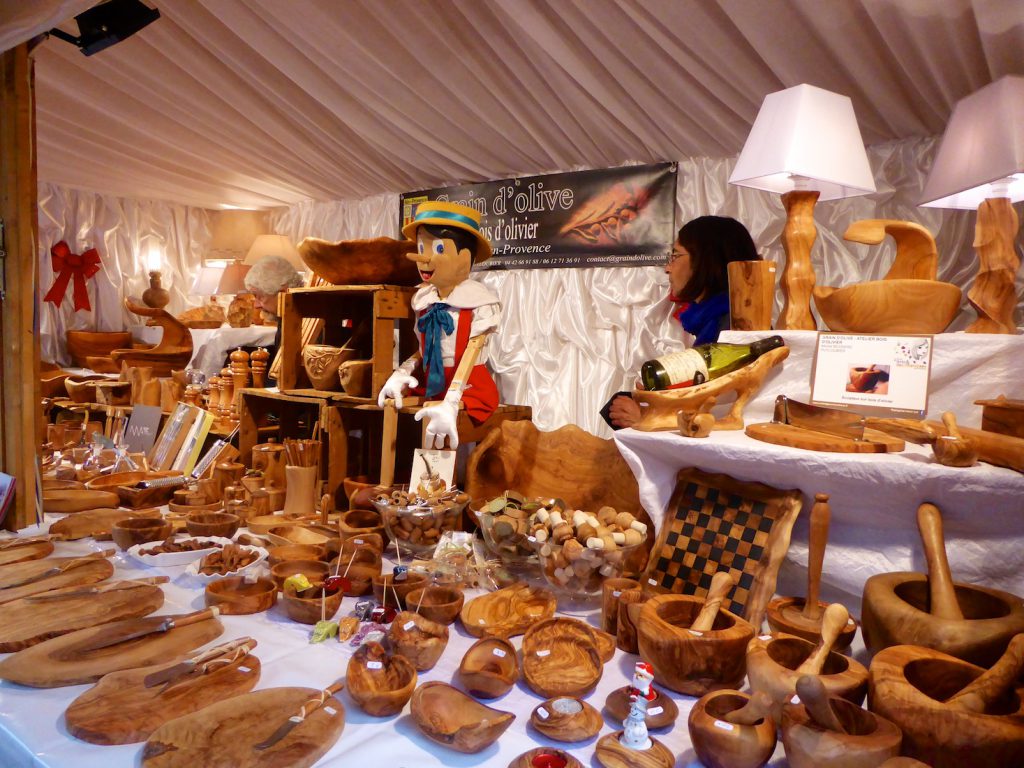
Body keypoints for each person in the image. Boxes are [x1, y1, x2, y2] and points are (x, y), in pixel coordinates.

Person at [604, 215, 761, 429]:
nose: (667, 268)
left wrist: (649, 418)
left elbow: (721, 413)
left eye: (675, 256)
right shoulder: (712, 321)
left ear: (705, 261)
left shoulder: (735, 330)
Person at [377, 201, 500, 449]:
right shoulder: (425, 300)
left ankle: (440, 485)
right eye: (422, 246)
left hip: (469, 387)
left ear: (465, 259)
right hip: (432, 385)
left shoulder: (479, 302)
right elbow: (425, 348)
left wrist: (453, 398)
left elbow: (472, 351)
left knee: (442, 442)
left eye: (439, 248)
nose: (423, 257)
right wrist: (401, 373)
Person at [243, 255, 304, 324]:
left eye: (261, 296)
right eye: (255, 296)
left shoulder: (309, 320)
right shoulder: (285, 318)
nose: (256, 305)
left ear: (283, 293)